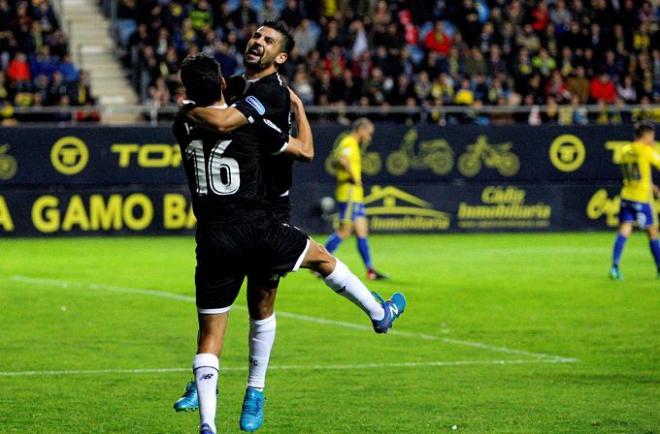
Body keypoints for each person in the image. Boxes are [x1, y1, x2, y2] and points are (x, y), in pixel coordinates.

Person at [174, 52, 406, 434]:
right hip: (257, 229)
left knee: (210, 336)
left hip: (212, 239)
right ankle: (378, 314)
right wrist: (298, 110)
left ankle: (208, 425)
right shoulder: (249, 126)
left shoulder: (181, 125)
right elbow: (305, 150)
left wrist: (188, 107)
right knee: (324, 259)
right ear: (221, 85)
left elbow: (204, 113)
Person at [173, 21, 311, 429]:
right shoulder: (234, 85)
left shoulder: (275, 94)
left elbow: (301, 151)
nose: (257, 41)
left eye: (268, 39)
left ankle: (255, 390)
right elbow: (210, 103)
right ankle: (201, 383)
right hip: (237, 211)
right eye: (256, 35)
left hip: (270, 208)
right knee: (215, 314)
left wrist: (186, 111)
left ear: (281, 56)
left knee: (261, 304)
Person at [325, 118, 389, 280]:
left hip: (355, 196)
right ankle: (319, 262)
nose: (370, 137)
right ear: (361, 129)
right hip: (349, 194)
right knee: (344, 232)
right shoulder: (349, 142)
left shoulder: (351, 144)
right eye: (369, 133)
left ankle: (370, 270)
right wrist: (353, 177)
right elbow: (342, 160)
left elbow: (336, 161)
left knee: (362, 231)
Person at [610, 121, 660, 280]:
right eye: (652, 135)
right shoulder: (645, 150)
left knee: (625, 229)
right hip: (642, 199)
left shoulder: (625, 150)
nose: (654, 139)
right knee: (653, 232)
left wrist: (650, 183)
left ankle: (615, 266)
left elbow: (635, 171)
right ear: (646, 136)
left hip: (627, 195)